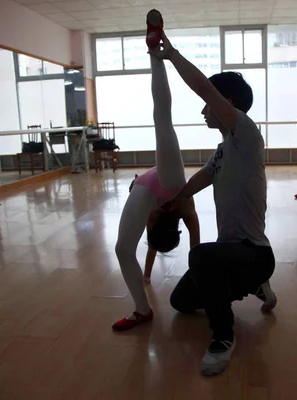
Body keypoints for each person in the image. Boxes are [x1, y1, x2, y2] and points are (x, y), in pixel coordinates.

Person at [148, 11, 277, 377]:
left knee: (201, 258)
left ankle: (223, 337)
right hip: (234, 254)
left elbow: (204, 88)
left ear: (227, 104)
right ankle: (252, 286)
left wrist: (170, 54)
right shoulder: (223, 150)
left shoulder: (247, 136)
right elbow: (202, 178)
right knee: (180, 301)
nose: (204, 109)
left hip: (254, 253)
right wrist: (174, 203)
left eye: (211, 104)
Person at [112, 10, 200, 332]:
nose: (146, 222)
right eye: (150, 223)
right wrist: (196, 270)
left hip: (147, 187)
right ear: (159, 219)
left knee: (122, 249)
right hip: (170, 181)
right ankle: (154, 49)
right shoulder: (185, 206)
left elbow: (137, 245)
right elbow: (197, 243)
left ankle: (141, 310)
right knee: (162, 120)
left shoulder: (151, 213)